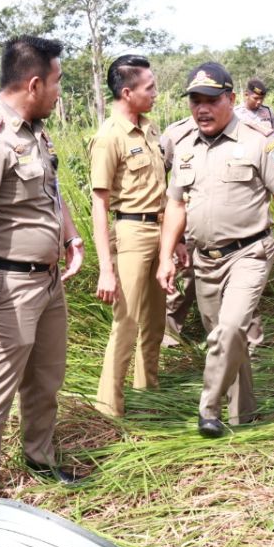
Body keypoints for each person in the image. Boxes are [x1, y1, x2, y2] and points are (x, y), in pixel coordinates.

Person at [0, 35, 87, 502]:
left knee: (47, 377)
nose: (59, 91)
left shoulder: (34, 132)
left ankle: (40, 456)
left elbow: (52, 190)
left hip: (47, 283)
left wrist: (70, 237)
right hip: (5, 286)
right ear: (33, 83)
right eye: (56, 82)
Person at [156, 62, 274, 437]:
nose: (201, 109)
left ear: (231, 99)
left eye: (210, 100)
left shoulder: (259, 141)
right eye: (195, 101)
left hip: (250, 253)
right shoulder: (185, 144)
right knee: (226, 338)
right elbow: (176, 204)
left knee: (231, 328)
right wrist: (166, 255)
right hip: (204, 259)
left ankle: (208, 408)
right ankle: (244, 416)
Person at [89, 54, 185, 417]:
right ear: (127, 93)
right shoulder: (108, 137)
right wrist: (105, 268)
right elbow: (99, 205)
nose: (156, 93)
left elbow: (165, 191)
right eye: (149, 88)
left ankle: (149, 392)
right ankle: (108, 410)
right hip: (130, 233)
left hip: (160, 231)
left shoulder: (151, 129)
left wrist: (177, 242)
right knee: (126, 324)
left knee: (156, 321)